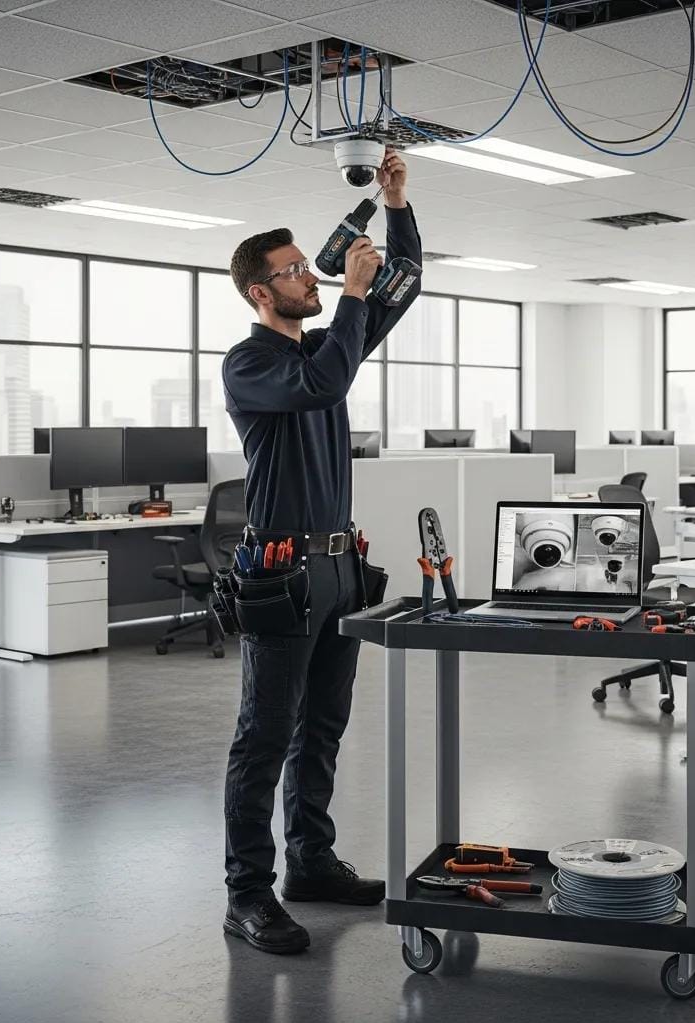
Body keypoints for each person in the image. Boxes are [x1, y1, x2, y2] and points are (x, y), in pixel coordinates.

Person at [221, 148, 420, 954]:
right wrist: (353, 298)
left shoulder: (320, 348)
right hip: (281, 574)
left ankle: (310, 862)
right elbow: (326, 385)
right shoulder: (252, 364)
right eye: (297, 270)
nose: (312, 277)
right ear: (261, 292)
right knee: (265, 737)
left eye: (312, 266)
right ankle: (246, 894)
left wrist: (395, 204)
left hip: (339, 570)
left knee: (323, 728)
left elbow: (403, 283)